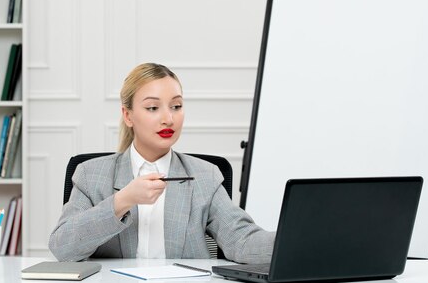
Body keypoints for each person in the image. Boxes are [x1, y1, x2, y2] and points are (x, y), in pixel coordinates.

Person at [49, 63, 274, 263]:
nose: (168, 118)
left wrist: (299, 239)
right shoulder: (91, 174)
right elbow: (63, 248)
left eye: (176, 106)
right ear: (128, 116)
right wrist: (123, 200)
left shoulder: (206, 176)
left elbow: (242, 241)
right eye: (153, 108)